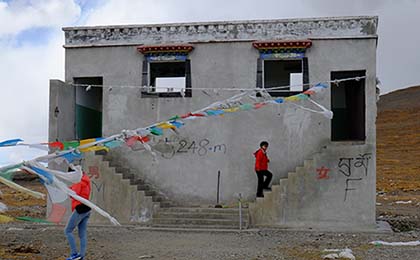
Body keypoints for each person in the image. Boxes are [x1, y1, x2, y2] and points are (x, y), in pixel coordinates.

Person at [65, 171, 91, 260]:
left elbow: (74, 194)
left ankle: (74, 254)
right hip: (87, 208)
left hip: (80, 208)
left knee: (68, 231)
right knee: (82, 234)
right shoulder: (86, 181)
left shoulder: (78, 182)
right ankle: (82, 256)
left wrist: (68, 191)